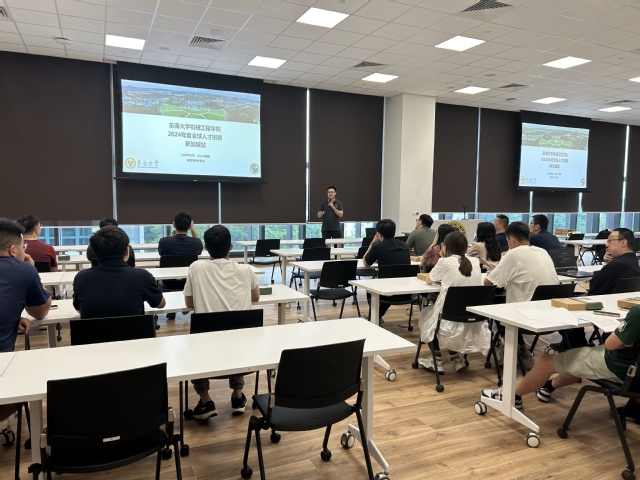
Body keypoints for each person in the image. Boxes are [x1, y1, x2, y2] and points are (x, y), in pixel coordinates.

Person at [483, 304, 640, 410]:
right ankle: (548, 386)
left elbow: (610, 344)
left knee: (546, 361)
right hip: (635, 373)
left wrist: (621, 340)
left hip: (620, 368)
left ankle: (512, 397)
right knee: (577, 357)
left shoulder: (637, 312)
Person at [184, 225, 260, 419]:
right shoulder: (245, 270)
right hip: (242, 348)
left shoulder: (196, 267)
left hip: (206, 347)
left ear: (205, 248)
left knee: (194, 342)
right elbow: (255, 297)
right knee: (236, 331)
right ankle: (238, 396)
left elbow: (189, 303)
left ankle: (205, 401)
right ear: (231, 247)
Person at [484, 222, 559, 369]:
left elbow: (488, 283)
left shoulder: (513, 254)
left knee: (498, 308)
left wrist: (494, 273)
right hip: (553, 313)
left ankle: (515, 351)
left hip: (527, 316)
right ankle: (523, 351)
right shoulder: (542, 251)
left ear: (511, 239)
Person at [556, 227, 640, 351]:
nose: (607, 244)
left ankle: (576, 345)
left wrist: (607, 266)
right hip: (616, 305)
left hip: (601, 304)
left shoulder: (617, 264)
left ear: (623, 242)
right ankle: (570, 343)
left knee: (561, 305)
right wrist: (608, 264)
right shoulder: (632, 262)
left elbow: (595, 286)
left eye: (610, 240)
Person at [0, 219, 51, 421]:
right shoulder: (23, 270)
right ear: (13, 250)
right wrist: (32, 271)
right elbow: (40, 312)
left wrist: (12, 314)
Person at [417, 231, 485, 373]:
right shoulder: (474, 262)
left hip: (448, 318)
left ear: (446, 247)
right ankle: (455, 357)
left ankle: (436, 359)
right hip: (472, 318)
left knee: (427, 315)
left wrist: (442, 259)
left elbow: (429, 280)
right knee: (439, 316)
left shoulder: (445, 262)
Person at [73, 226, 165, 319]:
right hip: (133, 328)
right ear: (127, 251)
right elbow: (160, 304)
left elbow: (79, 308)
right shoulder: (142, 276)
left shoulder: (81, 277)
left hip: (94, 329)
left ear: (95, 252)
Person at [362, 219, 410, 325]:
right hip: (407, 291)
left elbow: (365, 263)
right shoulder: (404, 246)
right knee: (390, 282)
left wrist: (372, 243)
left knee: (370, 288)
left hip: (387, 291)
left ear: (379, 234)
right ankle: (376, 317)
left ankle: (374, 317)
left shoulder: (378, 247)